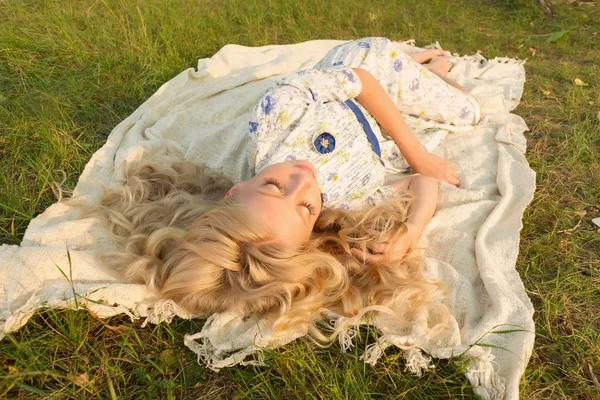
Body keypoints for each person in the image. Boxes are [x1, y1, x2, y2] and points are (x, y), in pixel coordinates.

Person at [90, 37, 481, 342]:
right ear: (314, 228)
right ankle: (434, 68)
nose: (304, 178)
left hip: (370, 74)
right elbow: (422, 185)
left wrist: (419, 155)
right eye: (306, 207)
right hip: (389, 124)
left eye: (274, 186)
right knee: (469, 112)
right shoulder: (343, 200)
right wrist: (409, 233)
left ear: (235, 189)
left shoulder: (277, 114)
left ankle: (429, 66)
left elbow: (361, 81)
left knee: (466, 108)